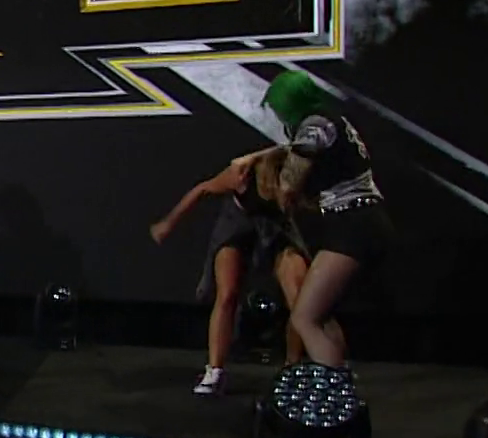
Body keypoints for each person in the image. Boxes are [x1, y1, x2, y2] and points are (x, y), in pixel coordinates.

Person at [151, 150, 339, 394]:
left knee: (300, 298)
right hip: (238, 223)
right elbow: (202, 189)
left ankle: (292, 369)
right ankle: (215, 371)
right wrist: (168, 223)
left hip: (276, 227)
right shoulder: (242, 175)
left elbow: (292, 147)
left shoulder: (298, 174)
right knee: (227, 293)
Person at [241, 70, 392, 368]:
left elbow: (289, 185)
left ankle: (333, 385)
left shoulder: (314, 125)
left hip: (354, 224)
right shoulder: (330, 121)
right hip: (358, 221)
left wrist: (274, 185)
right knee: (319, 314)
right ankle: (339, 379)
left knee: (304, 317)